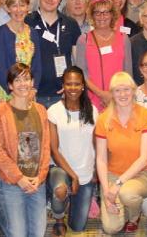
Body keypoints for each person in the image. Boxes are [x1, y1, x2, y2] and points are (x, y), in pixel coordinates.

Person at [0, 63, 51, 237]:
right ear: (10, 85)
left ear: (32, 81)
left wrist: (40, 177)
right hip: (12, 183)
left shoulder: (41, 110)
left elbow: (46, 147)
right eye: (17, 80)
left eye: (26, 79)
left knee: (38, 234)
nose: (23, 84)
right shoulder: (0, 111)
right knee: (19, 234)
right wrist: (19, 178)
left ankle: (0, 209)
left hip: (36, 182)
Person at [95, 72, 147, 234]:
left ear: (133, 91)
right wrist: (106, 191)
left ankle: (134, 216)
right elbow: (101, 159)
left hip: (143, 174)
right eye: (117, 90)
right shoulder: (103, 119)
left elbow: (144, 159)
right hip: (113, 174)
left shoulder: (146, 116)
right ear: (112, 94)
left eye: (126, 89)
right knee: (111, 228)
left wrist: (117, 185)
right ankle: (120, 205)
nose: (122, 94)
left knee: (127, 194)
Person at [47, 66, 98, 236]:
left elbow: (96, 143)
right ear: (63, 85)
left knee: (78, 227)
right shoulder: (54, 111)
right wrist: (73, 176)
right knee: (60, 190)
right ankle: (59, 217)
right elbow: (54, 150)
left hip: (85, 172)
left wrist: (96, 170)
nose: (73, 88)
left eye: (77, 84)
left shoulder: (92, 111)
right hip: (61, 168)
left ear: (83, 86)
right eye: (69, 84)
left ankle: (74, 200)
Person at [25, 0, 82, 109]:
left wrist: (72, 85)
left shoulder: (70, 24)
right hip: (34, 93)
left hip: (63, 93)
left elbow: (78, 60)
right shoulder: (28, 22)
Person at [74, 0, 133, 111]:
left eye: (106, 12)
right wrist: (101, 94)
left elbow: (128, 73)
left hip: (119, 98)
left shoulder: (124, 38)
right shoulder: (83, 40)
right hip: (92, 99)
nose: (102, 16)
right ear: (92, 15)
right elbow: (82, 74)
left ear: (112, 15)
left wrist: (114, 94)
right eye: (97, 13)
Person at [0, 0, 42, 96]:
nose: (18, 10)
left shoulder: (33, 32)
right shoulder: (1, 33)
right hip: (8, 93)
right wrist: (13, 91)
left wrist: (34, 89)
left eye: (22, 5)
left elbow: (37, 65)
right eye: (14, 6)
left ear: (28, 7)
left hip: (28, 92)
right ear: (8, 8)